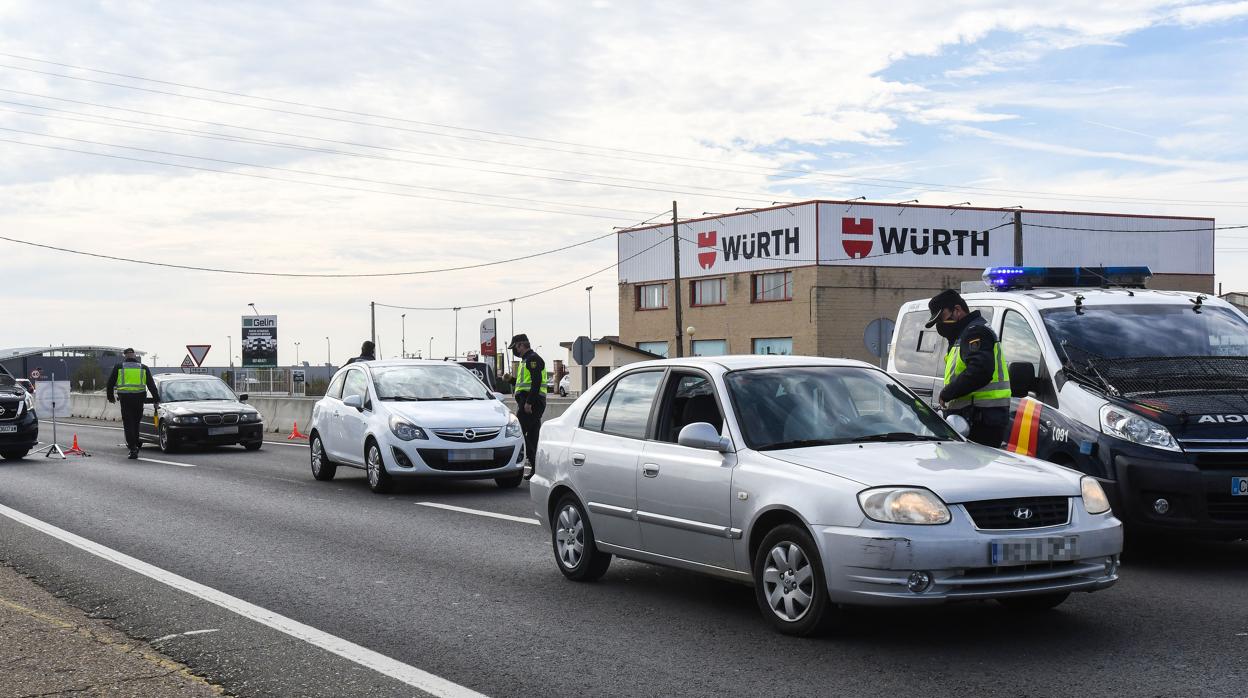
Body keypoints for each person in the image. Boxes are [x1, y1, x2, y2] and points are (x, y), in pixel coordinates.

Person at [926, 289, 1011, 448]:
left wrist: (948, 392)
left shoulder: (974, 332)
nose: (940, 325)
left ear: (957, 310)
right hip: (974, 418)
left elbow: (980, 370)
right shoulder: (964, 334)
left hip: (981, 420)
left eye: (941, 318)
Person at [106, 348, 160, 459]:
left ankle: (133, 447)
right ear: (134, 355)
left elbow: (110, 383)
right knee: (136, 423)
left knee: (128, 423)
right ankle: (135, 445)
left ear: (125, 356)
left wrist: (110, 397)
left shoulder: (119, 367)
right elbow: (151, 385)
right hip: (139, 399)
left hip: (125, 399)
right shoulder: (143, 368)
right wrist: (156, 399)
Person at [508, 334, 547, 476]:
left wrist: (529, 402)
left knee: (519, 433)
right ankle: (537, 469)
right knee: (533, 436)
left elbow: (536, 382)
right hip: (529, 401)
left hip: (532, 402)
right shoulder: (527, 360)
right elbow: (525, 383)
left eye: (515, 347)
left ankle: (535, 464)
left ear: (521, 345)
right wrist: (511, 380)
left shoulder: (533, 359)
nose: (515, 351)